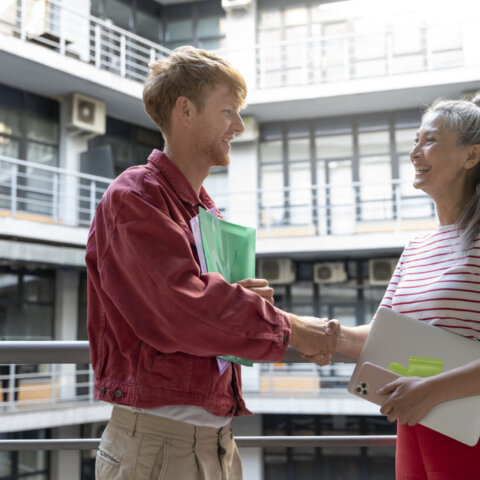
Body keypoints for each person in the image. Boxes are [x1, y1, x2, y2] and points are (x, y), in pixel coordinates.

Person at [86, 46, 336, 480]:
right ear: (185, 110)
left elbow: (205, 307)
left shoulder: (205, 211)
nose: (238, 126)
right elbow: (183, 310)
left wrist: (232, 300)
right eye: (228, 112)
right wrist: (289, 327)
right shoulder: (134, 196)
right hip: (158, 447)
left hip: (216, 441)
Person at [311, 94, 480, 479]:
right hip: (415, 420)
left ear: (471, 156)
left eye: (430, 140)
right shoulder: (417, 247)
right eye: (415, 141)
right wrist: (326, 335)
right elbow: (380, 335)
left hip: (466, 426)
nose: (415, 152)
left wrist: (432, 390)